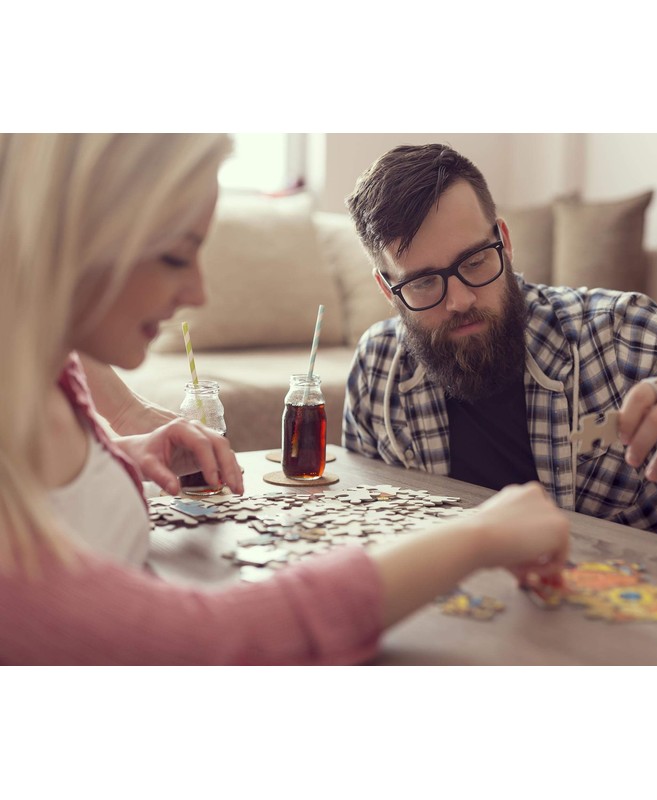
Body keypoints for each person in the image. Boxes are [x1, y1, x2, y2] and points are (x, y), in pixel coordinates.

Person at [0, 133, 569, 665]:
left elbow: (58, 504)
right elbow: (217, 641)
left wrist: (119, 457)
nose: (199, 291)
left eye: (474, 261)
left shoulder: (54, 376)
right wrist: (477, 536)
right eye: (176, 255)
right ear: (68, 235)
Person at [343, 143, 657, 568]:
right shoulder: (377, 365)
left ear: (503, 239)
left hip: (650, 597)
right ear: (388, 289)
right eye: (423, 282)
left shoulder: (619, 329)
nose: (459, 299)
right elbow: (363, 531)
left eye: (475, 261)